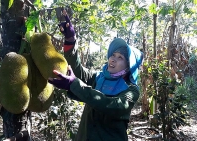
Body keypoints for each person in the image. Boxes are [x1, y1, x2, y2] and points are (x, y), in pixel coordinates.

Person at [48, 10, 143, 141]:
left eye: (120, 57)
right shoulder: (98, 77)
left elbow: (111, 105)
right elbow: (78, 70)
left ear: (129, 67)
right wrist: (70, 41)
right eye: (113, 55)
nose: (113, 59)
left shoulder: (131, 90)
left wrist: (74, 84)